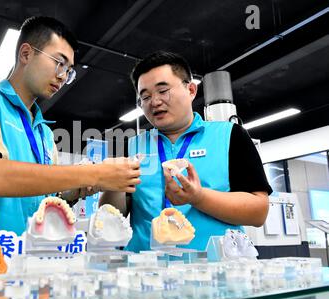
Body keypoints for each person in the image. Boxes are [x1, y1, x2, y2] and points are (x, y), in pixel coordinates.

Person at [0, 16, 141, 235]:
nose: (63, 76)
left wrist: (84, 186)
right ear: (26, 53)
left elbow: (46, 196)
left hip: (18, 258)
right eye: (59, 63)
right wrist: (94, 174)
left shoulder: (43, 133)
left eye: (69, 70)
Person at [100, 51, 272, 252]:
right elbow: (112, 215)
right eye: (145, 96)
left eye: (163, 91)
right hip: (145, 273)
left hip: (214, 274)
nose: (154, 102)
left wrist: (198, 198)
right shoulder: (132, 146)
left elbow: (258, 212)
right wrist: (112, 183)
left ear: (191, 90)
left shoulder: (230, 136)